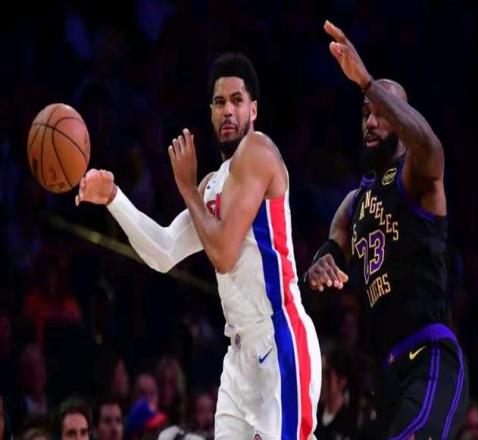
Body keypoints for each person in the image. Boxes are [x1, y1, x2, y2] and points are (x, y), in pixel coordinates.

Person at [76, 52, 321, 439]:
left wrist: (187, 189)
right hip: (238, 354)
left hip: (278, 340)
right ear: (210, 112)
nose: (228, 111)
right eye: (220, 102)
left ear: (254, 110)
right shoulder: (211, 185)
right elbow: (163, 253)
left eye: (237, 100)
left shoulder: (257, 151)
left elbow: (223, 255)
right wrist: (114, 198)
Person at [305, 21, 468, 439]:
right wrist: (320, 264)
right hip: (387, 376)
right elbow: (333, 247)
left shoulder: (417, 175)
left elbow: (429, 145)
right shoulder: (354, 202)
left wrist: (367, 83)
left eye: (382, 112)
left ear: (402, 120)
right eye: (366, 113)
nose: (372, 121)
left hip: (430, 359)